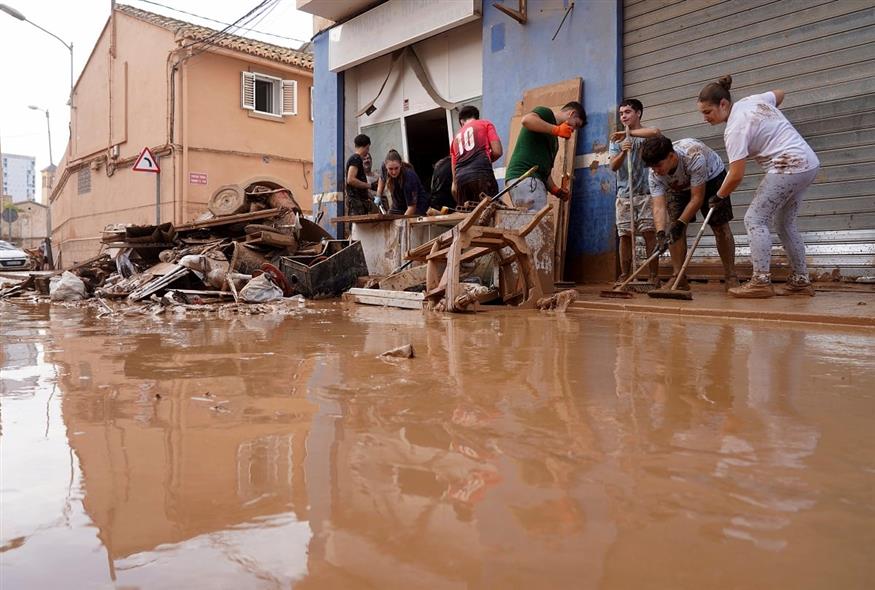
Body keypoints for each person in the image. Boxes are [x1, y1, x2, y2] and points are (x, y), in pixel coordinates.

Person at [698, 75, 820, 298]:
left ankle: (761, 281)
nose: (705, 118)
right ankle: (801, 281)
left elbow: (736, 175)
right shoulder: (753, 100)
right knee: (784, 222)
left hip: (788, 165)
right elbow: (780, 93)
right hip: (808, 163)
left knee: (754, 219)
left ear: (723, 104)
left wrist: (719, 195)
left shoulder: (734, 128)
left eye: (708, 112)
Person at [641, 135, 738, 290]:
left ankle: (731, 276)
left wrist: (681, 222)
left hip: (711, 177)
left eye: (658, 165)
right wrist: (660, 233)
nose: (655, 171)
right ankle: (678, 277)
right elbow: (658, 206)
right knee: (673, 230)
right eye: (652, 167)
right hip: (678, 185)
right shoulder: (655, 173)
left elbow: (697, 198)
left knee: (720, 226)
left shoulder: (693, 156)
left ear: (672, 157)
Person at [608, 99, 661, 284]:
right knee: (624, 235)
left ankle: (654, 275)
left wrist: (627, 133)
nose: (623, 116)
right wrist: (622, 150)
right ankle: (625, 275)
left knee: (649, 233)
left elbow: (656, 132)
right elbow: (613, 167)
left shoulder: (646, 135)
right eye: (621, 113)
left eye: (628, 112)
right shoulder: (616, 140)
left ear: (638, 113)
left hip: (646, 192)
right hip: (624, 195)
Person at [504, 101, 587, 210]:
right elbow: (526, 120)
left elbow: (544, 171)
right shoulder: (546, 114)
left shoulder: (554, 142)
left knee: (529, 223)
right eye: (575, 124)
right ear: (572, 114)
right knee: (538, 224)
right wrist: (556, 130)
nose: (572, 130)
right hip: (526, 177)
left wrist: (555, 190)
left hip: (529, 179)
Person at [450, 105, 502, 205]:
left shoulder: (455, 138)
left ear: (461, 121)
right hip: (482, 176)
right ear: (477, 117)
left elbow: (454, 167)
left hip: (461, 181)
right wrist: (484, 160)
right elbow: (497, 151)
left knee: (469, 217)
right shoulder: (485, 124)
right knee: (489, 215)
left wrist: (455, 184)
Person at [384, 151, 429, 216]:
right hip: (400, 206)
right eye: (390, 169)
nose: (394, 172)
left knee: (407, 222)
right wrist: (378, 195)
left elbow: (412, 207)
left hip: (417, 205)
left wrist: (403, 222)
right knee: (388, 219)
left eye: (396, 168)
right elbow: (381, 178)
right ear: (385, 166)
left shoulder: (409, 178)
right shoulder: (384, 167)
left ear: (400, 165)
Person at [345, 134, 374, 216]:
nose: (367, 151)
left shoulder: (355, 159)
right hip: (356, 204)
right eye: (367, 148)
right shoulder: (356, 158)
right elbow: (350, 180)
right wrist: (370, 186)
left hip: (358, 203)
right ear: (366, 146)